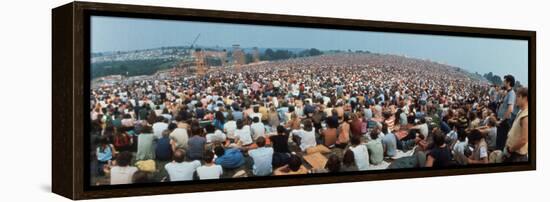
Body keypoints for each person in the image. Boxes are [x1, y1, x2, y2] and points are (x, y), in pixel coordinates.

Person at [503, 87, 528, 162]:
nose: (516, 99)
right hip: (513, 153)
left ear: (525, 98)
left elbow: (524, 139)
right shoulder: (521, 111)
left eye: (518, 96)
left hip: (516, 156)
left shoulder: (526, 115)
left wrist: (510, 149)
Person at [496, 75, 516, 150]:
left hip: (504, 122)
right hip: (501, 120)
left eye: (504, 81)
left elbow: (510, 109)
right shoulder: (507, 92)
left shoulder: (511, 93)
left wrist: (501, 120)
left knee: (500, 142)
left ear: (508, 82)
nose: (503, 82)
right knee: (498, 140)